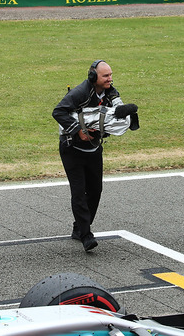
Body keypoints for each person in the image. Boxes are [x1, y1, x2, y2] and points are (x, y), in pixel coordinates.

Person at [52, 60, 133, 251]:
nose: (110, 79)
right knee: (79, 192)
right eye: (106, 76)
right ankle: (86, 234)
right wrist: (77, 130)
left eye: (111, 75)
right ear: (93, 76)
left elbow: (114, 111)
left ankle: (78, 227)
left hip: (94, 148)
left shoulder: (111, 92)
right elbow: (58, 111)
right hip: (71, 149)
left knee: (96, 190)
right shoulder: (79, 93)